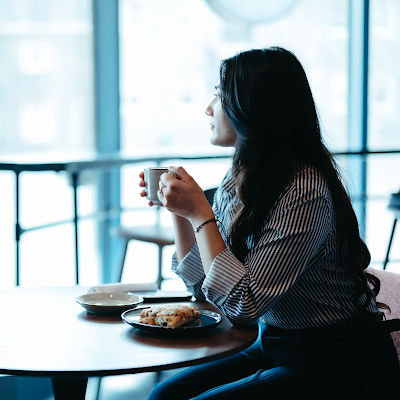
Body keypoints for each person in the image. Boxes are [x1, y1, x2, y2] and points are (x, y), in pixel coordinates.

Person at [139, 47, 400, 400]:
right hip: (277, 343)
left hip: (339, 361)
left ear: (251, 108)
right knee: (163, 395)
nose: (208, 107)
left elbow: (243, 304)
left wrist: (201, 213)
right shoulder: (242, 178)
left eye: (218, 95)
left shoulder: (304, 189)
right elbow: (208, 290)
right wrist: (181, 212)